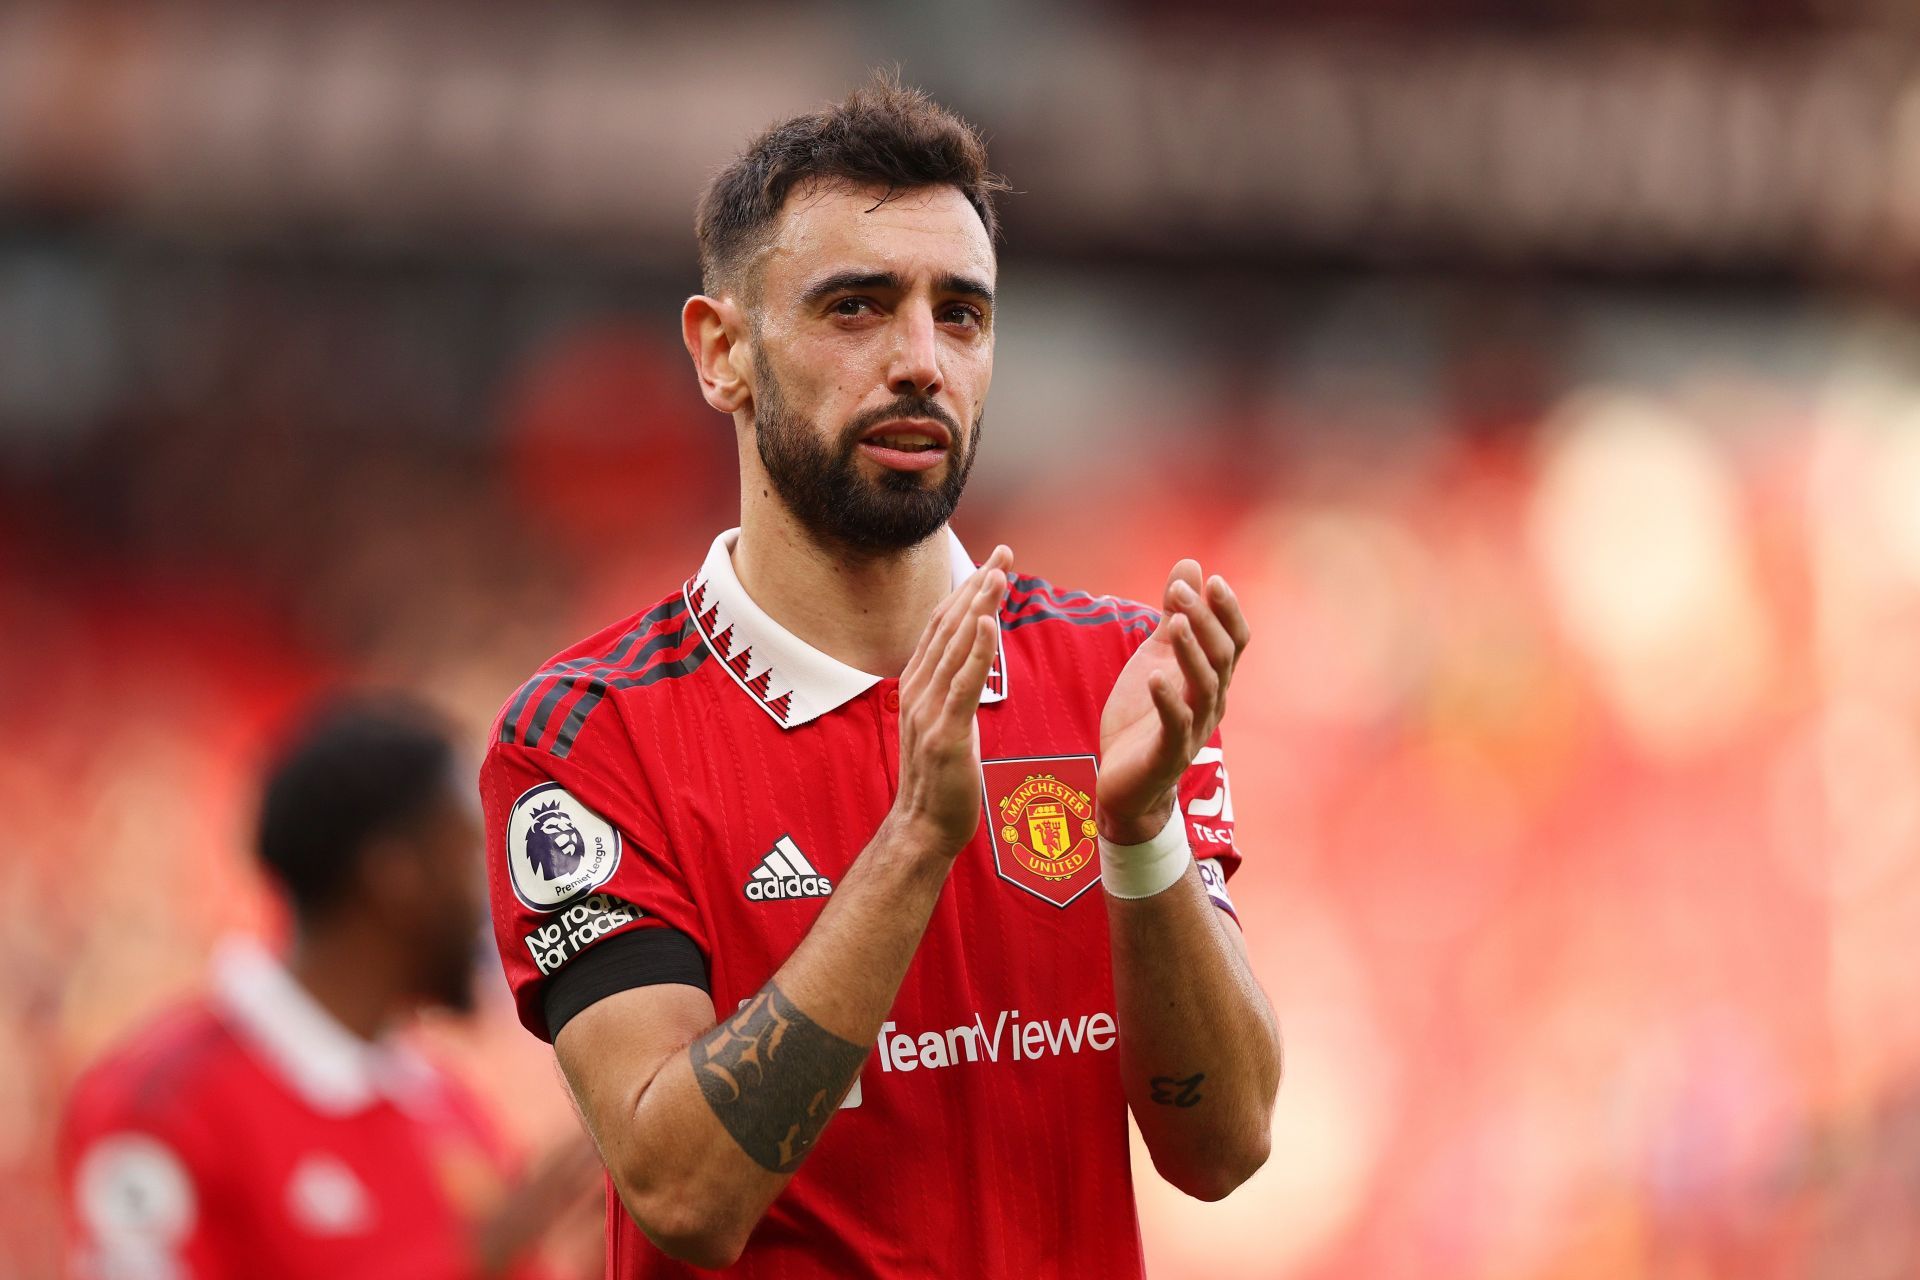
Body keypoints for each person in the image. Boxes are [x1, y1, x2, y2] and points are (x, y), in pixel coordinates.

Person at [480, 74, 1283, 1277]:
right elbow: (685, 1193)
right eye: (857, 307)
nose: (920, 359)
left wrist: (1140, 832)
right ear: (722, 352)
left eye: (960, 314)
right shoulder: (589, 738)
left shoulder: (1115, 677)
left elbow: (1222, 1144)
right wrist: (913, 841)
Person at [60, 700, 600, 1280]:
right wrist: (469, 1261)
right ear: (394, 875)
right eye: (470, 853)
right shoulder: (162, 1106)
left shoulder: (443, 1103)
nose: (497, 893)